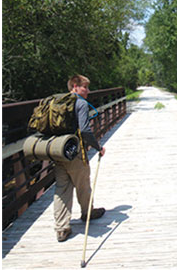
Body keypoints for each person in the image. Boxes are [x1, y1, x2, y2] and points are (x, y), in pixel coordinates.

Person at [54, 74, 106, 242]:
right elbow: (84, 130)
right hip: (75, 152)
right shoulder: (81, 103)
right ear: (74, 86)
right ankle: (87, 213)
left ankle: (62, 228)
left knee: (62, 189)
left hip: (59, 152)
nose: (88, 91)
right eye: (85, 87)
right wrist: (98, 147)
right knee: (83, 184)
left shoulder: (59, 103)